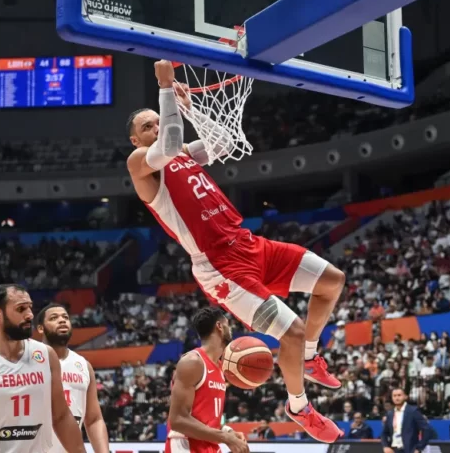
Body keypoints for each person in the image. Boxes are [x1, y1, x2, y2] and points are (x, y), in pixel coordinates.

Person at [125, 60, 345, 442]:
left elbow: (224, 142)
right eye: (148, 126)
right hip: (220, 266)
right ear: (135, 140)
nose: (157, 127)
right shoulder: (141, 164)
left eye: (158, 122)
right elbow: (170, 142)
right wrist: (165, 88)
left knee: (332, 281)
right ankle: (299, 407)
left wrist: (188, 106)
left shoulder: (182, 154)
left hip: (247, 243)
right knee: (291, 331)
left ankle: (310, 356)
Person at [0, 284, 85, 453]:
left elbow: (62, 417)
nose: (30, 315)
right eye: (21, 309)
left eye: (30, 307)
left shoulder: (46, 355)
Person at [166, 307, 249, 453]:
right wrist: (225, 438)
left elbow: (206, 419)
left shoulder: (220, 367)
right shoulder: (192, 362)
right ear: (219, 326)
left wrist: (228, 431)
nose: (231, 329)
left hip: (209, 445)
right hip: (185, 446)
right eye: (228, 325)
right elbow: (178, 420)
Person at [36, 303, 109, 453]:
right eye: (54, 318)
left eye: (65, 317)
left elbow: (94, 419)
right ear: (40, 328)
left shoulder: (83, 365)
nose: (62, 320)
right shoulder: (29, 360)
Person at [382, 388, 433, 453]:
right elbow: (384, 433)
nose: (397, 398)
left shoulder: (413, 411)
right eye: (394, 396)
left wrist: (419, 448)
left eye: (399, 395)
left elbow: (426, 429)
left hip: (409, 449)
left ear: (405, 397)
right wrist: (385, 446)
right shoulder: (390, 414)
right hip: (394, 449)